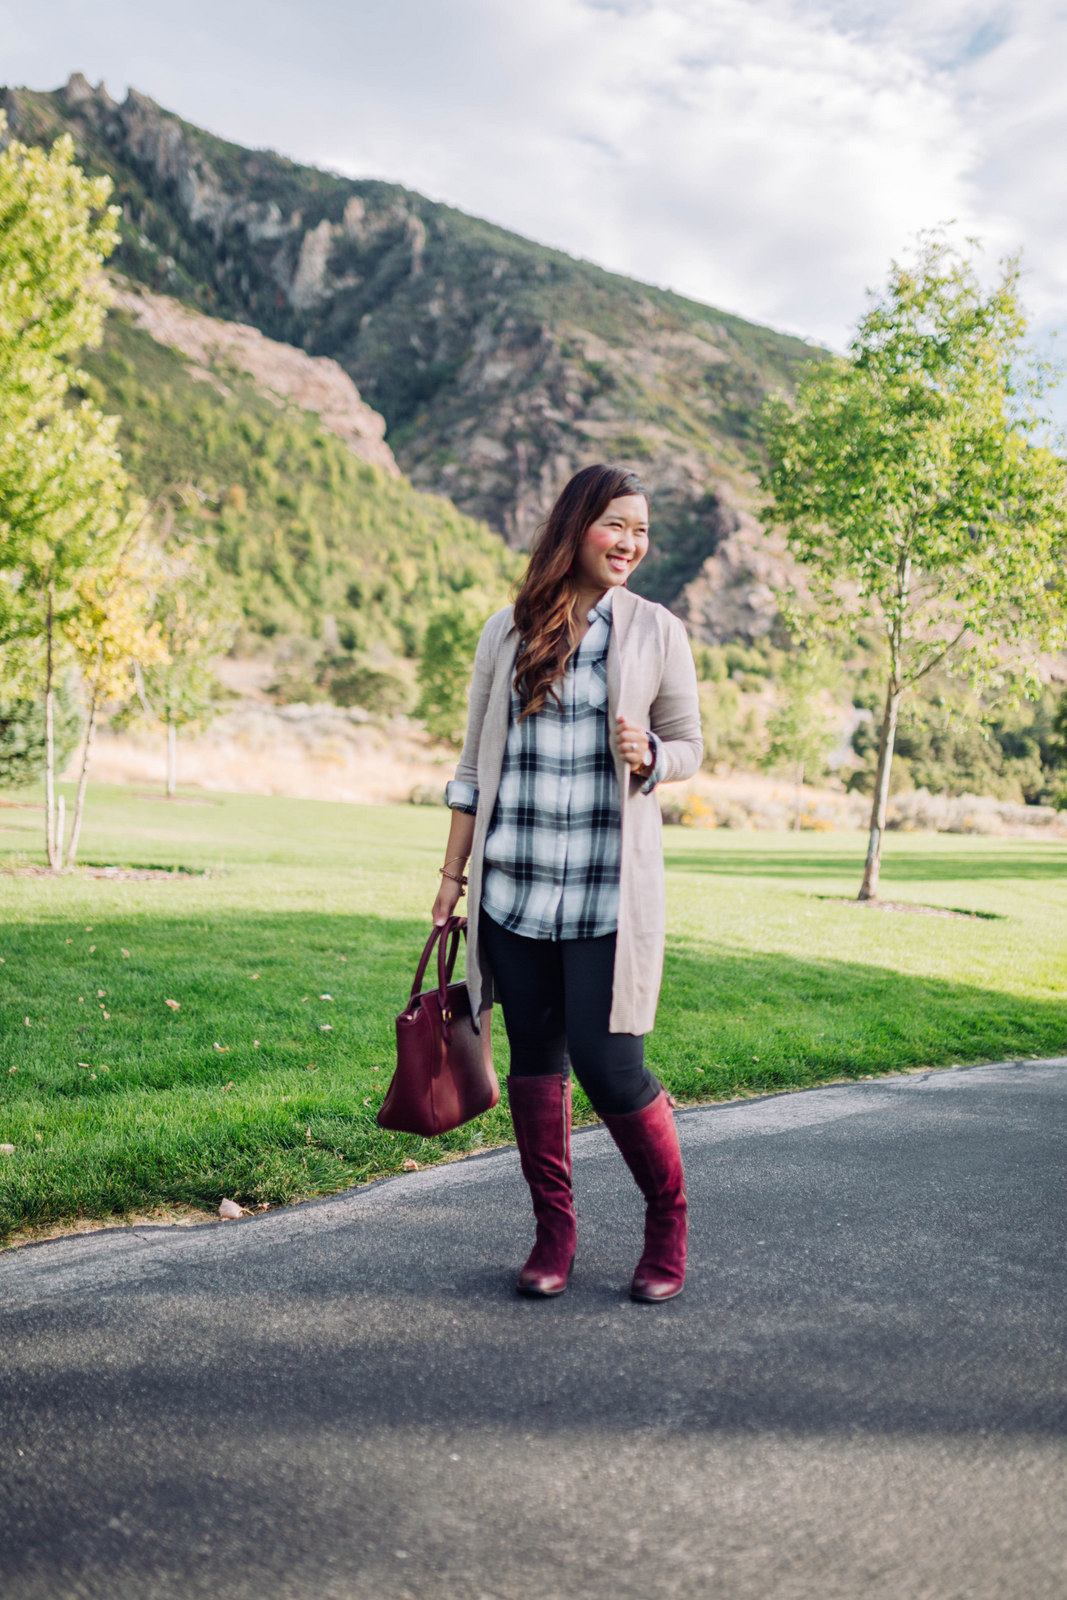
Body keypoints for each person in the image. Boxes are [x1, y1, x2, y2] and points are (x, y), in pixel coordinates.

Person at [431, 463, 703, 1302]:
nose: (630, 543)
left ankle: (668, 1222)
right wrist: (451, 875)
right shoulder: (505, 631)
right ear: (576, 526)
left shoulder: (658, 631)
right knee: (533, 1065)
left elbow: (688, 744)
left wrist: (650, 756)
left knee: (611, 1065)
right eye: (615, 525)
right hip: (512, 891)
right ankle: (554, 1234)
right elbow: (473, 766)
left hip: (602, 894)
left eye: (641, 531)